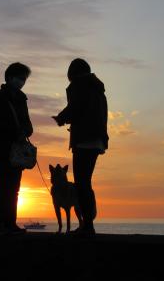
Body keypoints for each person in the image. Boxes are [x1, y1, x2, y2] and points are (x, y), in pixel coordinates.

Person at [53, 58, 109, 235]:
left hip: (84, 139)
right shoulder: (97, 89)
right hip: (97, 140)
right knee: (86, 182)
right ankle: (89, 221)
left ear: (73, 73)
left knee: (81, 183)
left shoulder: (81, 85)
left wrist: (61, 118)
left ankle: (87, 225)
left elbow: (75, 108)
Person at [0, 62, 33, 233]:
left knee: (14, 188)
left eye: (24, 79)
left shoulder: (21, 99)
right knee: (2, 186)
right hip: (1, 148)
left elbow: (28, 125)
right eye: (19, 78)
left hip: (16, 151)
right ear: (9, 78)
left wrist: (24, 131)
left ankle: (10, 223)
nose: (22, 82)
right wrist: (13, 130)